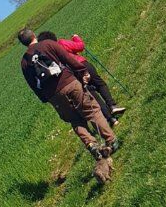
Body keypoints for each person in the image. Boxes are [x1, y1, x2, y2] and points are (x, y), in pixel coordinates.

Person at [18, 27, 117, 184]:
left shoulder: (24, 62)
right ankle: (110, 140)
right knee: (92, 110)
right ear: (34, 36)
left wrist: (46, 98)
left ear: (23, 44)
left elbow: (33, 85)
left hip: (54, 95)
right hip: (69, 82)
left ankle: (92, 145)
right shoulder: (48, 44)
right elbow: (67, 58)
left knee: (75, 120)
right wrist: (83, 71)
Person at [37, 30, 125, 127]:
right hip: (82, 65)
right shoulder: (61, 43)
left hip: (72, 75)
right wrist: (76, 37)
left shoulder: (49, 56)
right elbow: (80, 46)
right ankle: (112, 105)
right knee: (100, 84)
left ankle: (111, 119)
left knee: (92, 94)